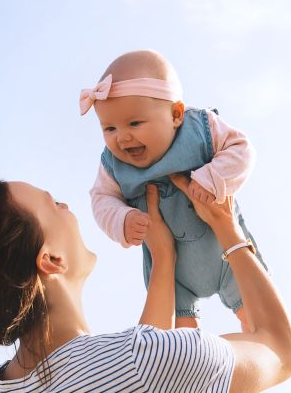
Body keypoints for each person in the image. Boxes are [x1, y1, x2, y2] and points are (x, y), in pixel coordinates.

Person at [0, 174, 291, 392]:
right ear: (50, 260)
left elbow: (137, 369)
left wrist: (163, 259)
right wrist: (225, 225)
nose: (67, 208)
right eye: (54, 205)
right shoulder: (147, 361)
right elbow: (285, 352)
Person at [82, 50, 267, 331]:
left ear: (176, 114)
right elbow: (101, 198)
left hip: (226, 250)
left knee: (257, 317)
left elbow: (242, 150)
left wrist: (213, 178)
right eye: (109, 128)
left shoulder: (200, 128)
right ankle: (192, 366)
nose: (122, 137)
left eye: (134, 123)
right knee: (178, 338)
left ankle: (259, 346)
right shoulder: (112, 166)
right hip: (173, 270)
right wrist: (121, 219)